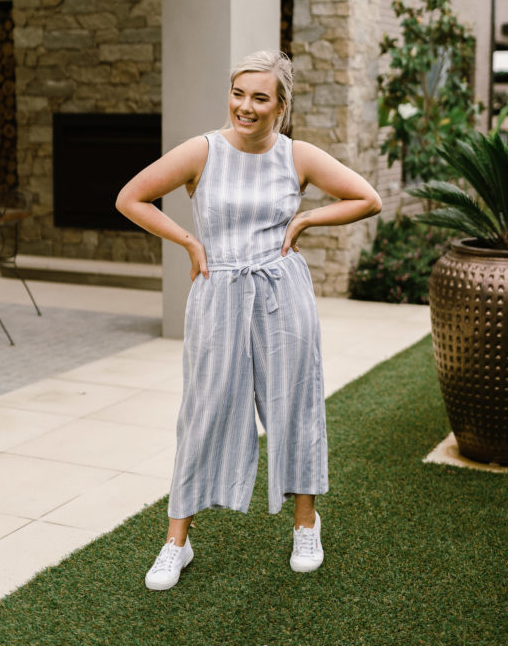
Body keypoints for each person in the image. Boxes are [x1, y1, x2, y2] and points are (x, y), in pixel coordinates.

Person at [116, 50, 382, 591]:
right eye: (238, 93)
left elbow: (367, 198)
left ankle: (306, 524)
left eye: (260, 97)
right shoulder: (203, 151)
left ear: (281, 106)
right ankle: (177, 540)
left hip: (283, 293)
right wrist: (189, 241)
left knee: (294, 405)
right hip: (218, 294)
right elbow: (131, 198)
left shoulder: (296, 155)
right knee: (204, 410)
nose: (245, 106)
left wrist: (307, 218)